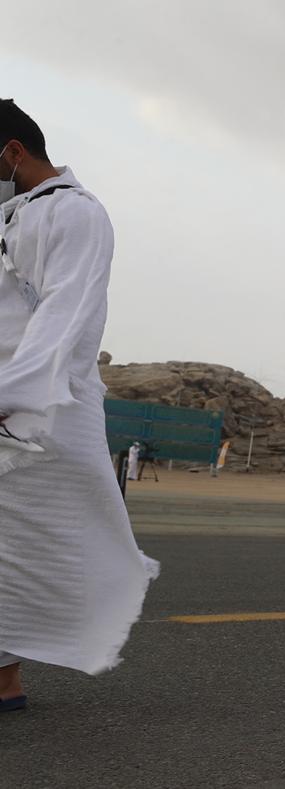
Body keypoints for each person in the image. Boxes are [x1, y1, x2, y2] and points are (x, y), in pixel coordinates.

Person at [0, 99, 159, 712]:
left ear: (13, 152)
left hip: (41, 408)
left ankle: (7, 679)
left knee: (28, 545)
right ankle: (5, 680)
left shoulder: (76, 212)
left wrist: (13, 395)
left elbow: (68, 312)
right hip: (13, 400)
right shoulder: (12, 215)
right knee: (10, 547)